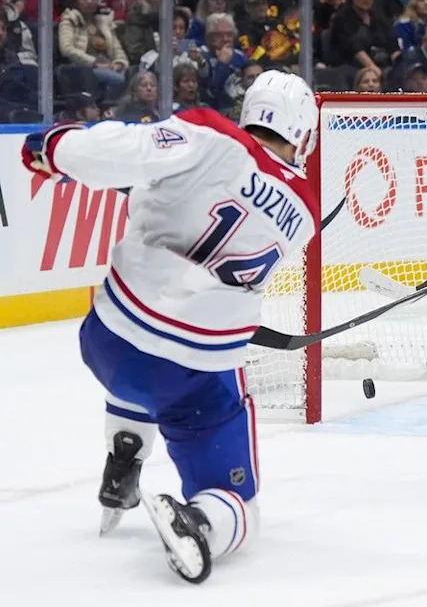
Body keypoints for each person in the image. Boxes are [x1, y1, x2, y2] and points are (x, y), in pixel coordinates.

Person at [19, 71, 320, 584]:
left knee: (142, 359)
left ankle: (125, 456)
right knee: (243, 507)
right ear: (304, 136)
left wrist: (56, 147)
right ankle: (201, 520)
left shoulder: (209, 134)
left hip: (107, 340)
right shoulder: (305, 211)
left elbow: (125, 148)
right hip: (190, 371)